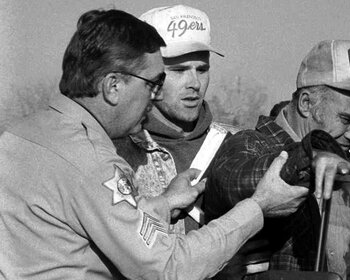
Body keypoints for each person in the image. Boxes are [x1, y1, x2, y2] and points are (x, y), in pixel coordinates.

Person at [0, 9, 310, 280]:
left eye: (202, 69)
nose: (154, 97)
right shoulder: (92, 161)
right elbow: (168, 268)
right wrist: (257, 207)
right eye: (153, 84)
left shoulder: (20, 134)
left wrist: (160, 205)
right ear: (113, 86)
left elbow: (90, 218)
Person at [205, 39, 350, 278]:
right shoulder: (250, 144)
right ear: (306, 103)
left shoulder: (349, 166)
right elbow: (234, 181)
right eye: (347, 120)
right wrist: (310, 156)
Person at [113, 5, 238, 233]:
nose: (195, 83)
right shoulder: (115, 154)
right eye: (179, 70)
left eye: (202, 70)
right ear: (148, 73)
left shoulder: (238, 144)